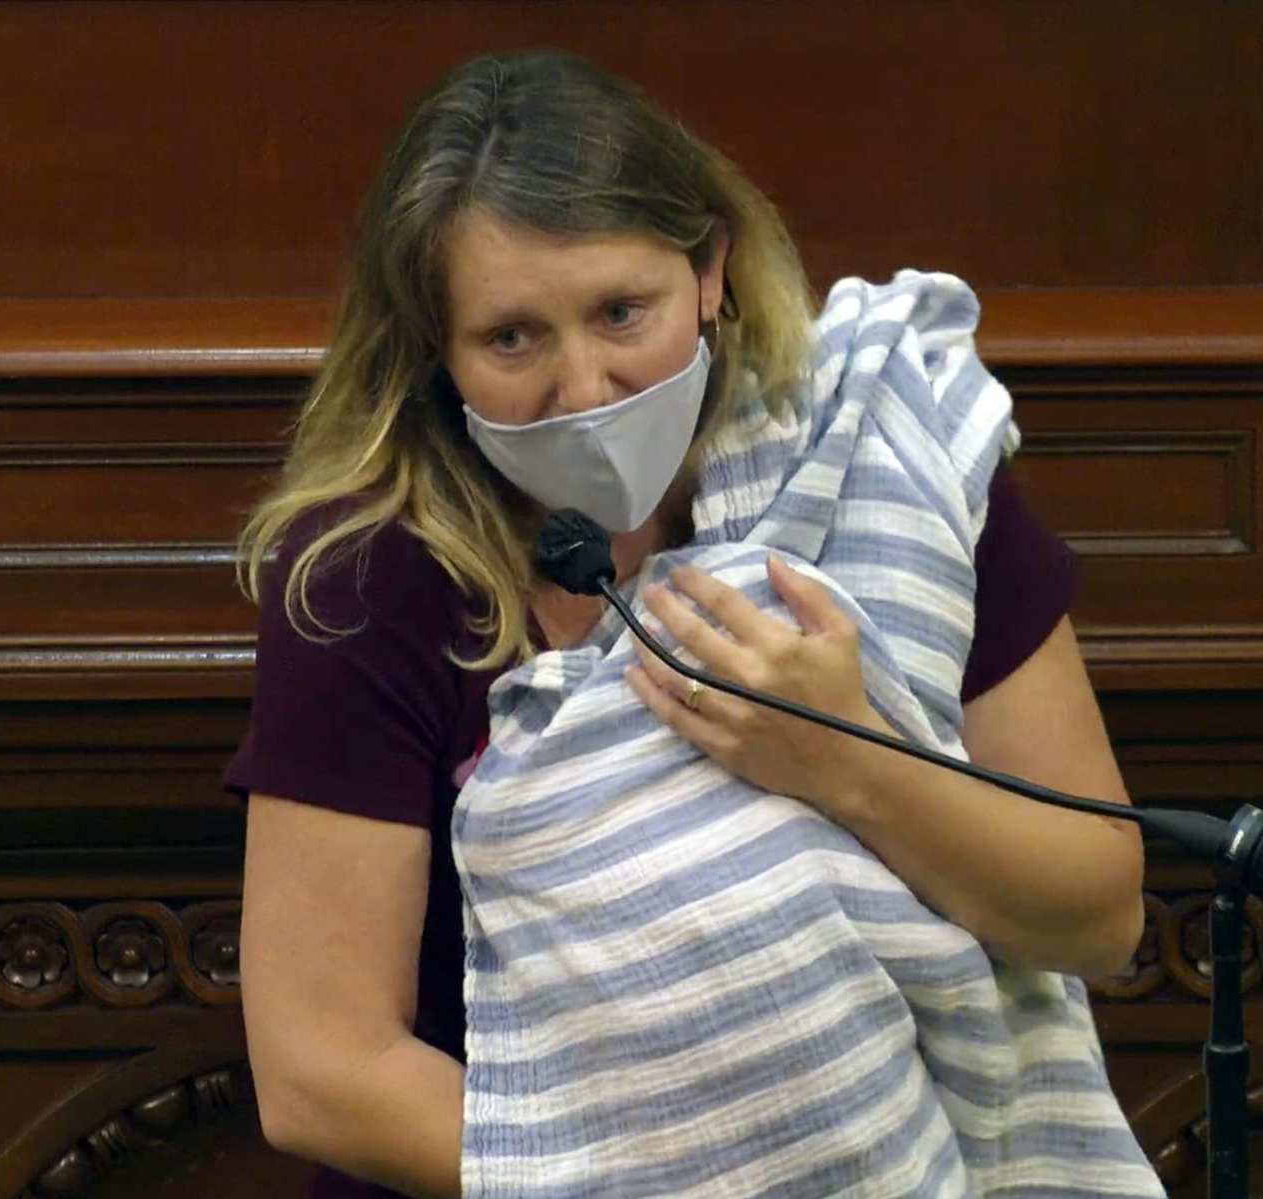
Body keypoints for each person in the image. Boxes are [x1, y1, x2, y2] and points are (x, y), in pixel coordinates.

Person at [227, 51, 1145, 1199]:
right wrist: (697, 1175)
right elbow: (320, 1071)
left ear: (709, 269)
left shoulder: (882, 451)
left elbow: (1098, 916)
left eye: (623, 311)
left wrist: (848, 760)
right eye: (511, 338)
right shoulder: (367, 575)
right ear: (432, 347)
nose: (586, 388)